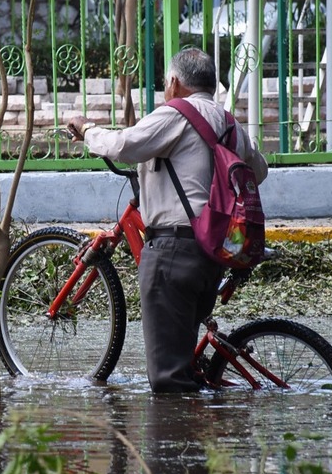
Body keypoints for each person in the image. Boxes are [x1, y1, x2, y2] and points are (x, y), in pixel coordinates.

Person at [67, 47, 268, 393]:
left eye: (165, 83)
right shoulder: (231, 124)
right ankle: (204, 440)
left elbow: (122, 145)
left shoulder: (176, 114)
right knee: (184, 362)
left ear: (174, 82)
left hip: (173, 251)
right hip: (213, 254)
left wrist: (87, 130)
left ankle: (176, 443)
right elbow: (259, 171)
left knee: (167, 380)